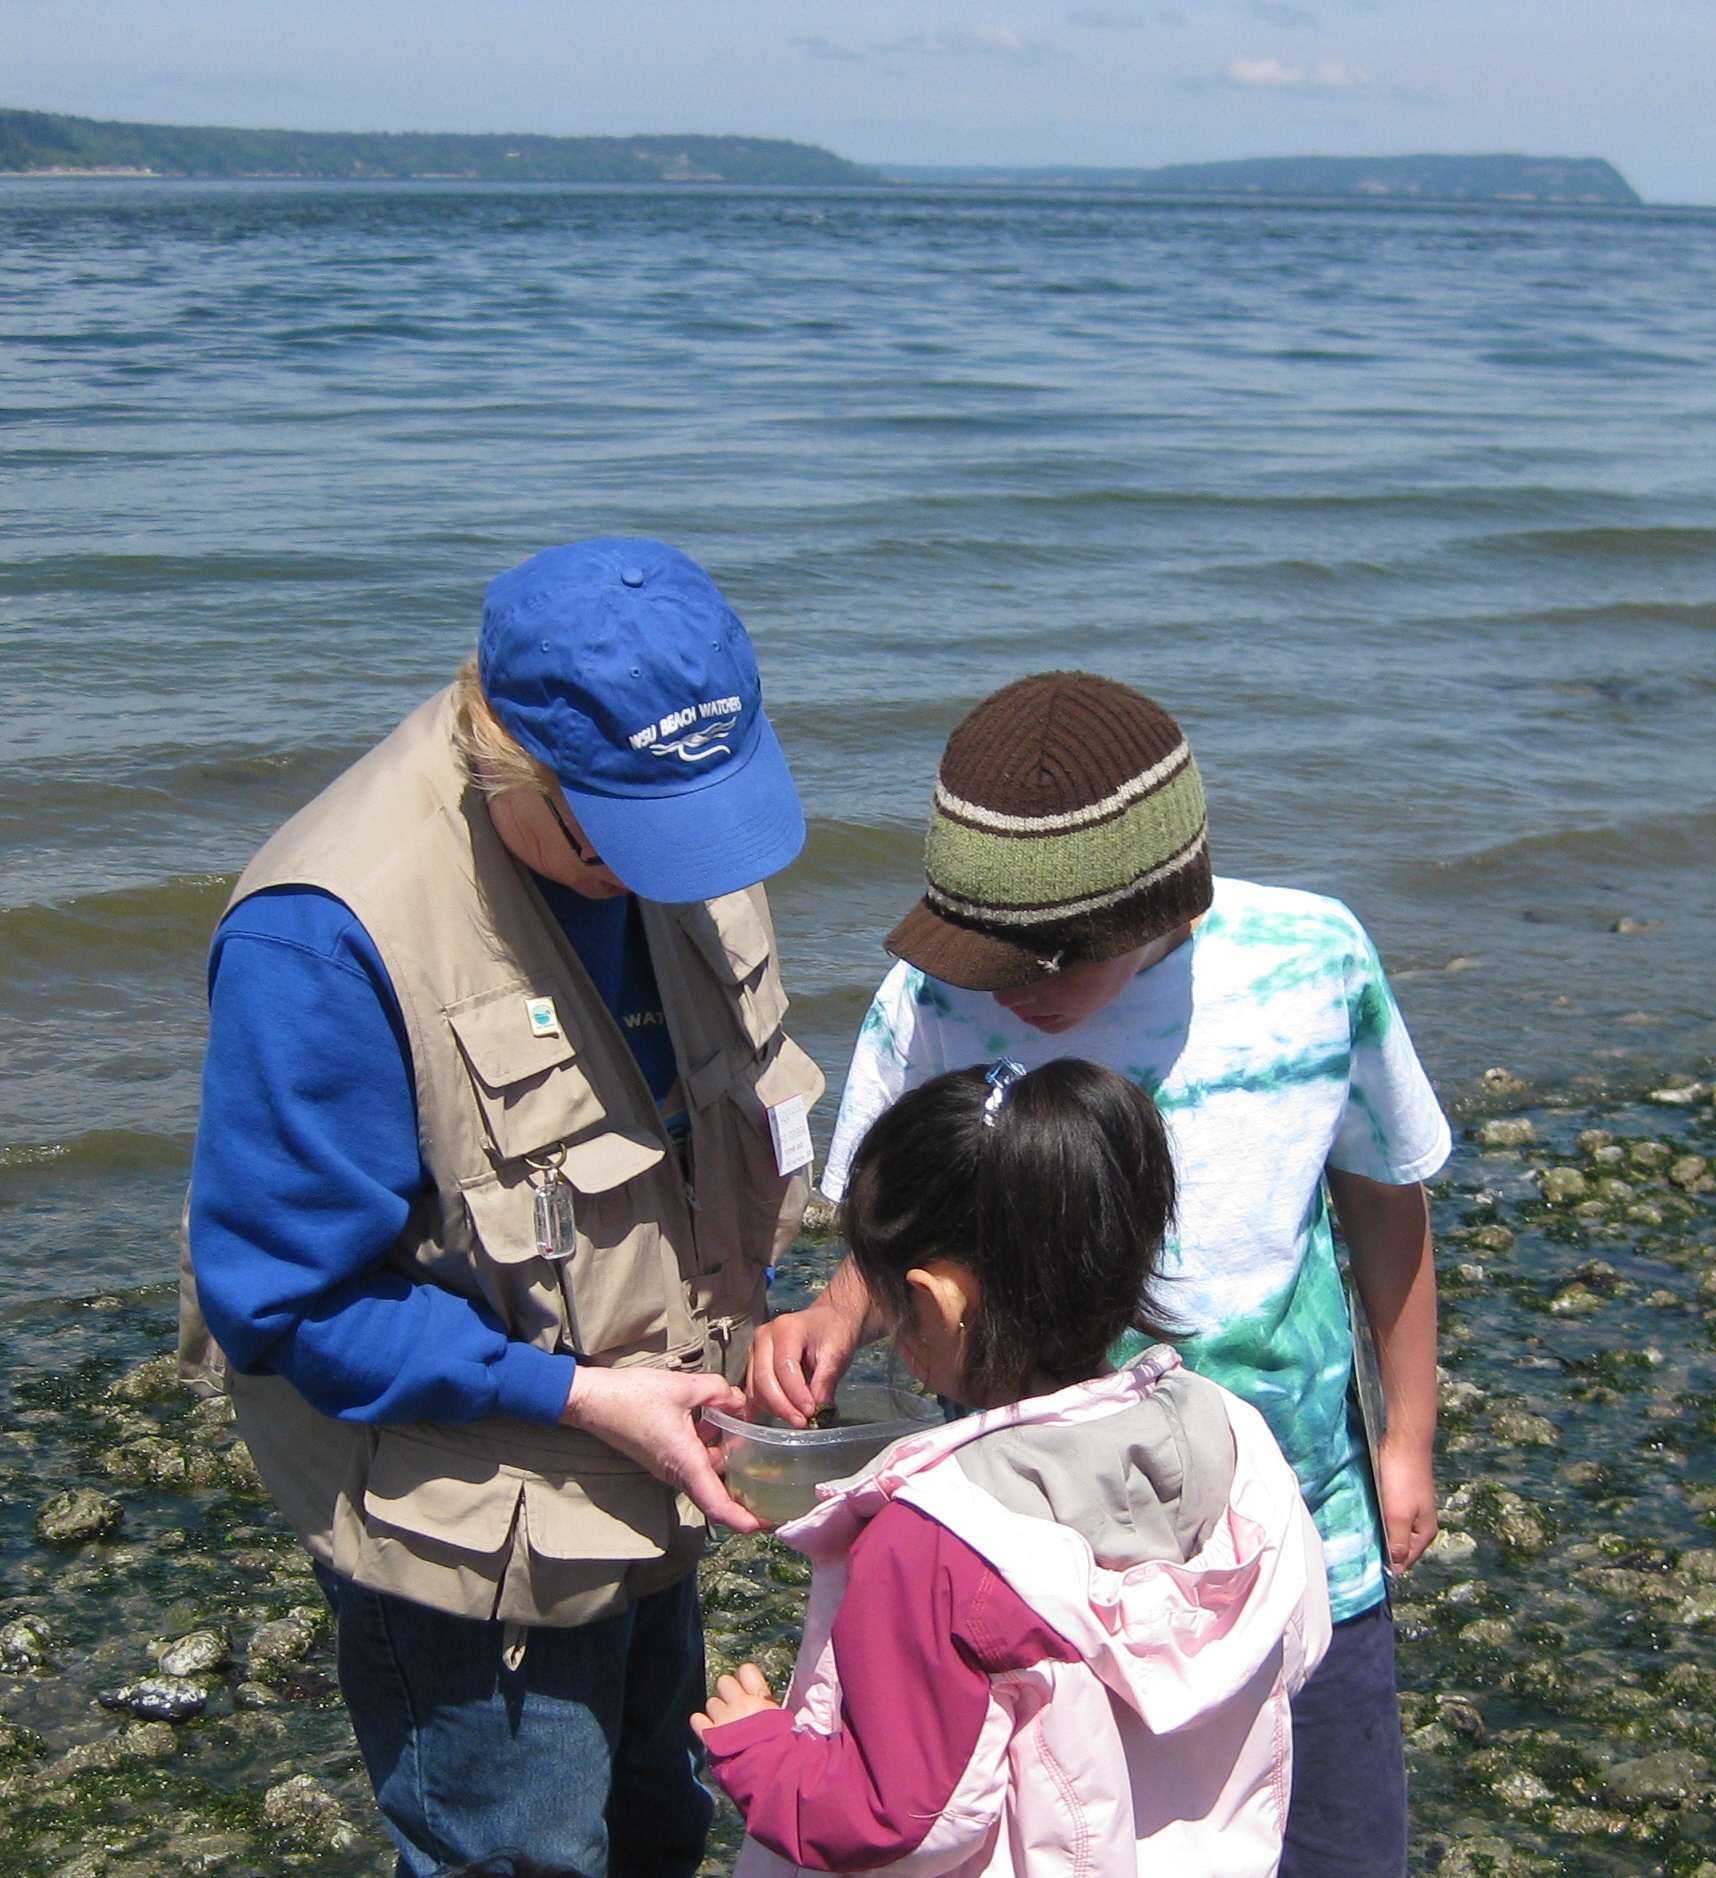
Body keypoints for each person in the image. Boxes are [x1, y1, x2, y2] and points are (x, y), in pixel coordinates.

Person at [183, 538, 824, 1878]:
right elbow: (284, 1307)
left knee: (658, 1818)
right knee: (519, 1851)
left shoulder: (673, 802)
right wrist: (586, 1399)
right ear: (506, 762)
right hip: (470, 1536)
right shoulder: (323, 932)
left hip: (657, 1478)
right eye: (613, 841)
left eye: (688, 829)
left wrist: (768, 1311)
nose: (658, 871)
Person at [751, 671, 1449, 1878]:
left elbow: (1385, 1207)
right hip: (1035, 1576)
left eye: (1033, 965)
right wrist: (836, 1311)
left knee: (1334, 1838)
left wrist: (1409, 1439)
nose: (1000, 990)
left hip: (1284, 1536)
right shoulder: (936, 1000)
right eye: (974, 954)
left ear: (1154, 908)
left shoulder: (1313, 965)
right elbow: (905, 1212)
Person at [698, 1059, 1331, 1878]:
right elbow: (1301, 1641)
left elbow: (899, 1821)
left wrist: (757, 1751)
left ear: (931, 1302)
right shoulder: (1237, 1437)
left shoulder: (935, 1541)